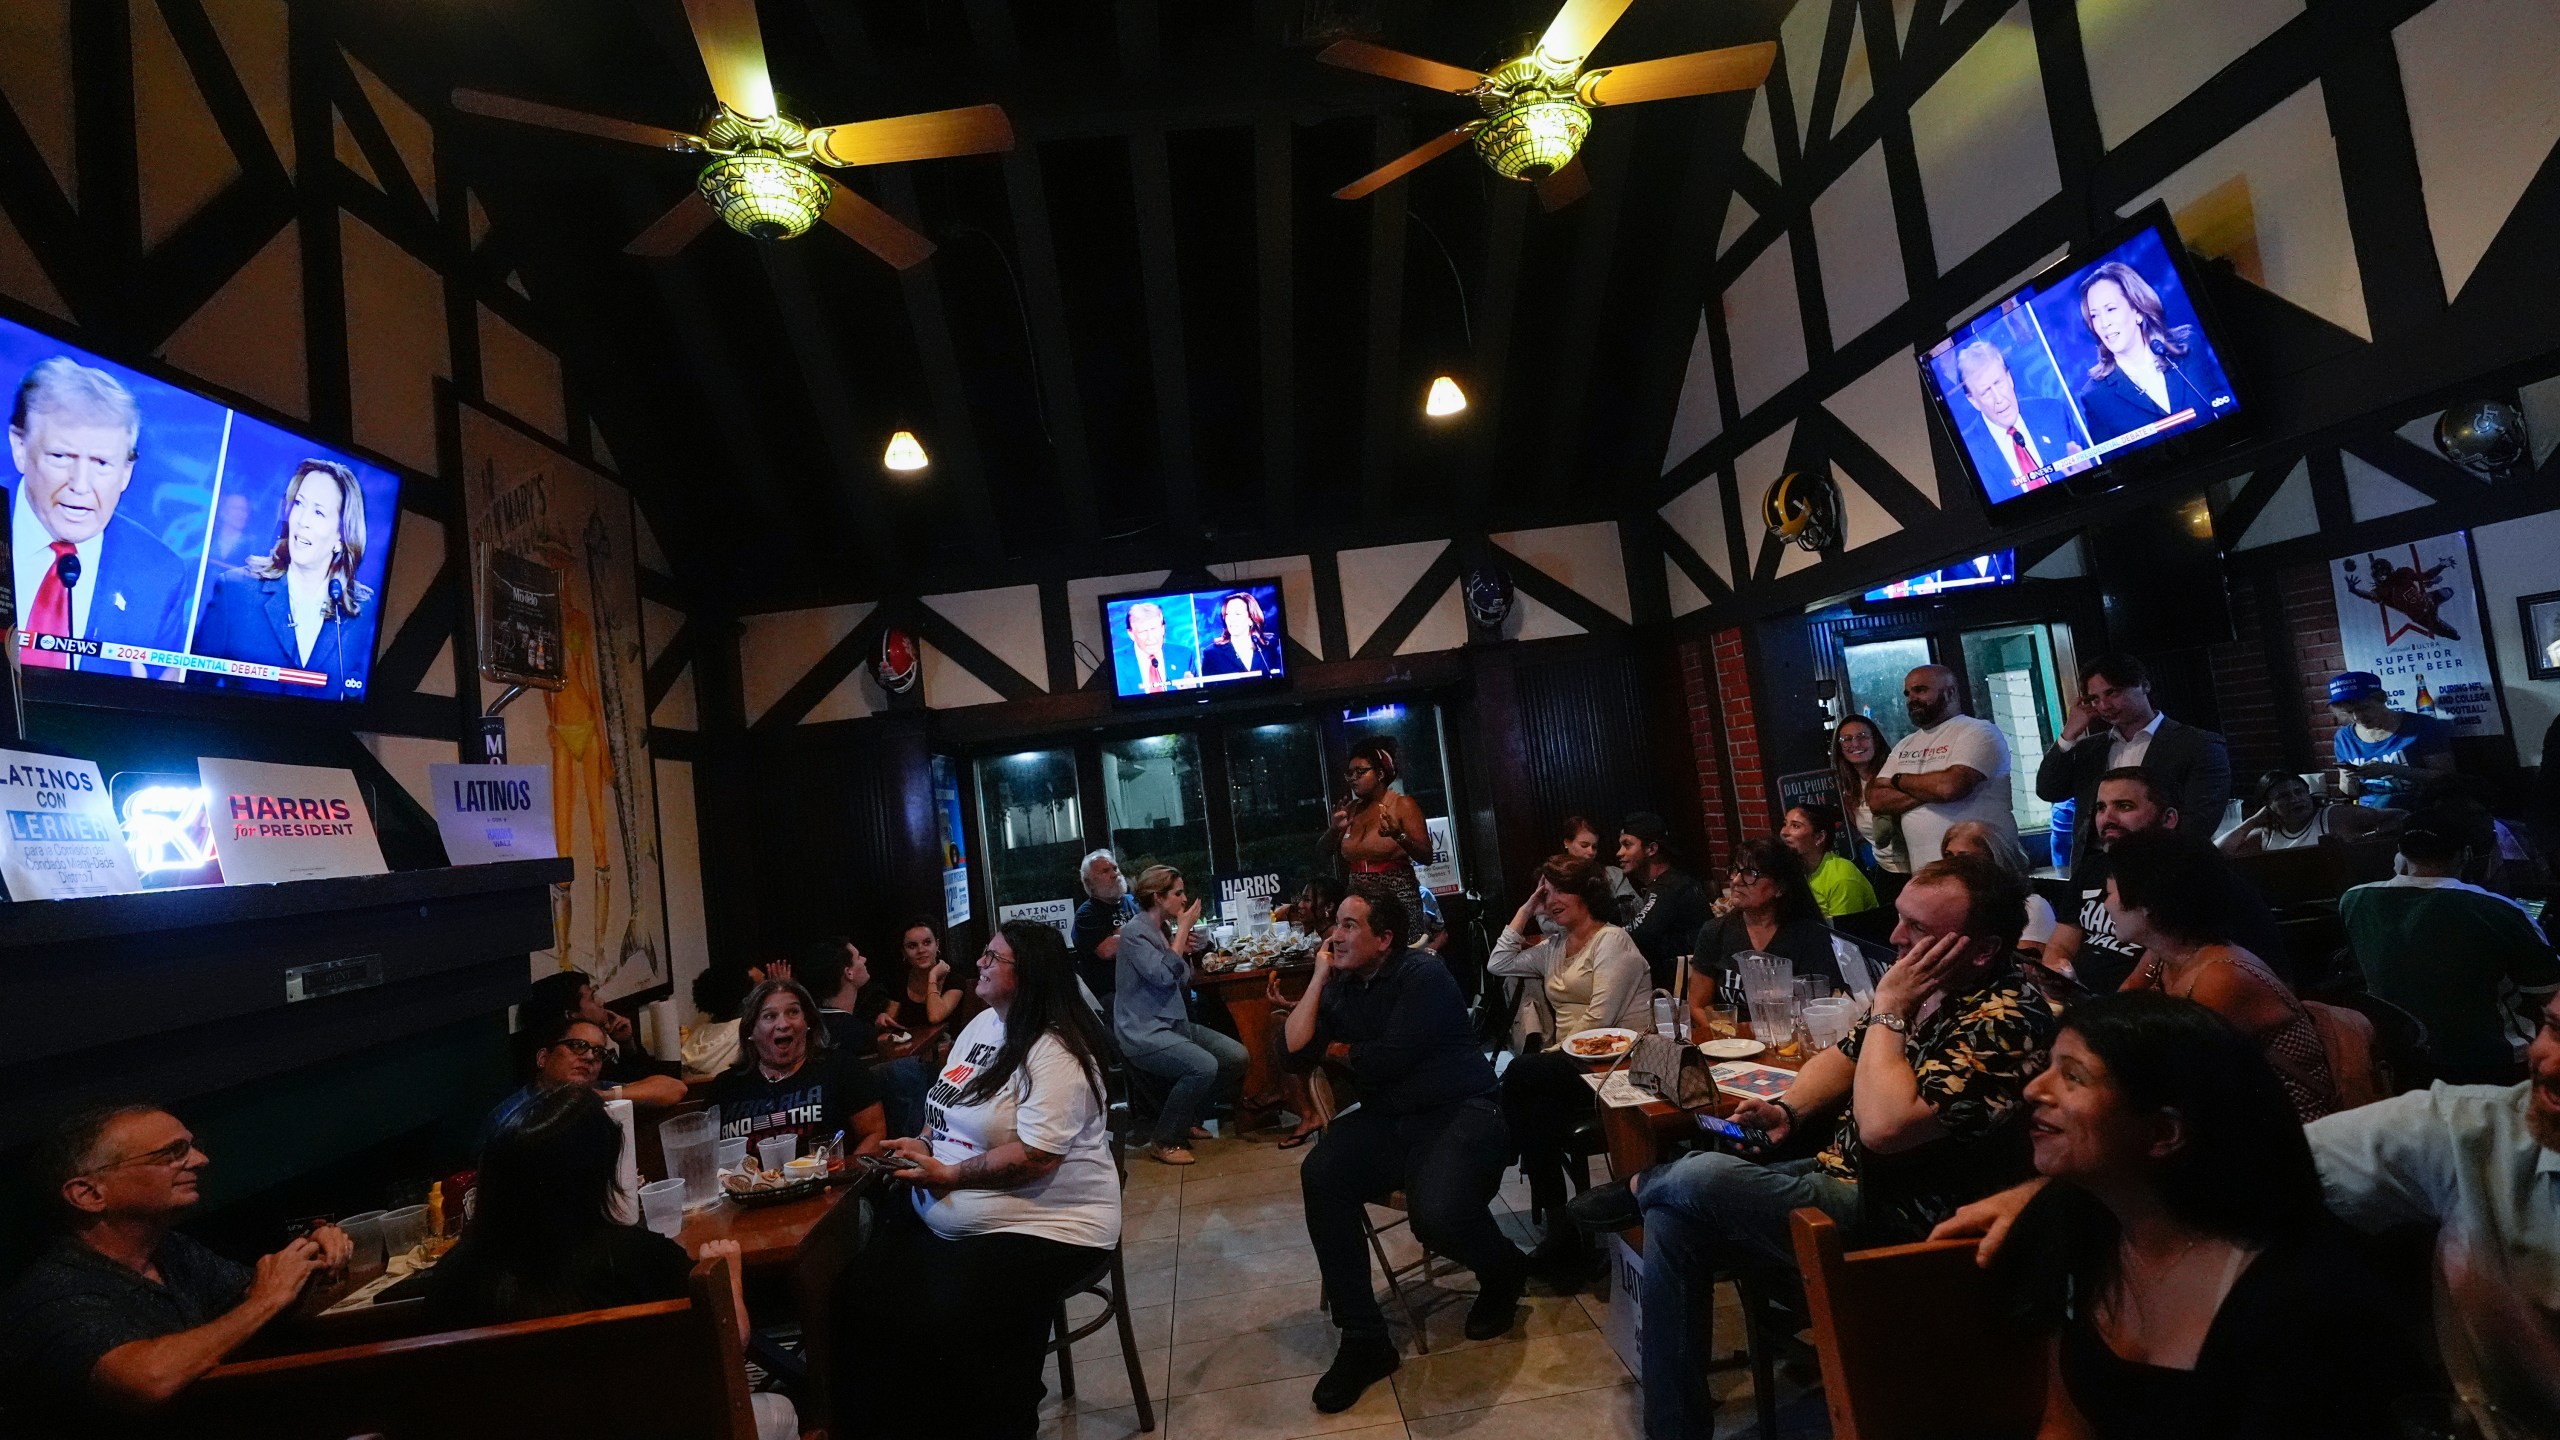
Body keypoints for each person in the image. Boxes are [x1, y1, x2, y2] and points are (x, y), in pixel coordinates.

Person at [1565, 853, 2061, 1440]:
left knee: (1695, 1177)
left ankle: (1643, 1183)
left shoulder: (2008, 1016)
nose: (1896, 939)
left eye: (1920, 930)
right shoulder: (1931, 988)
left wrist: (1892, 1011)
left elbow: (1886, 1128)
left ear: (1981, 950)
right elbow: (1844, 1055)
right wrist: (1789, 1109)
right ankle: (1675, 1430)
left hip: (1909, 1214)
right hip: (1846, 1177)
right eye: (1900, 921)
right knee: (1676, 1220)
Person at [1936, 985, 2560, 1440]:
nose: (2547, 1062)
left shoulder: (2300, 1310)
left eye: (2071, 1076)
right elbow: (2260, 1153)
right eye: (2552, 1027)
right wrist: (2059, 1184)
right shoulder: (2473, 1130)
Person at [1994, 992, 2422, 1438]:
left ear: (2163, 1133)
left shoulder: (2307, 1305)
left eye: (2072, 1076)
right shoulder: (2081, 1224)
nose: (2033, 1090)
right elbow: (2065, 1419)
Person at [840, 921, 1120, 1440]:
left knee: (948, 1316)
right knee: (861, 1291)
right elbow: (941, 1101)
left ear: (1029, 974)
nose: (980, 966)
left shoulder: (1055, 1048)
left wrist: (951, 1174)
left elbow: (1037, 1157)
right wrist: (924, 1144)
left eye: (993, 958)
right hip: (949, 1213)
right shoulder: (985, 1024)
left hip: (1048, 1223)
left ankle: (995, 1422)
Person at [429, 1087, 796, 1439]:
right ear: (596, 1174)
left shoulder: (450, 1278)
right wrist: (725, 1272)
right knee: (780, 1409)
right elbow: (730, 1344)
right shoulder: (635, 1256)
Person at [1286, 892, 1530, 1413]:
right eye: (1336, 925)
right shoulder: (1343, 985)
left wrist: (1337, 1051)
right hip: (1393, 1119)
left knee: (1436, 1216)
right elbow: (1290, 1047)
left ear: (1385, 939)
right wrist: (1317, 979)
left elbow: (1387, 1060)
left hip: (1462, 1111)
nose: (1335, 935)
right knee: (1322, 1172)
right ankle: (1364, 1340)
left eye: (1349, 926)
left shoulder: (1423, 974)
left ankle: (1503, 1268)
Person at [0, 1105, 353, 1428]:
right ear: (89, 1194)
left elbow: (262, 1309)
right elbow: (147, 1381)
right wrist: (266, 1300)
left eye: (190, 1146)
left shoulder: (172, 1251)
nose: (200, 1159)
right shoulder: (50, 1295)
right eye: (172, 1153)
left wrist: (317, 1262)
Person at [2103, 829, 2339, 1123]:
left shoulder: (2222, 978)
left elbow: (2164, 1074)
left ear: (2147, 905)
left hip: (2293, 1142)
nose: (2105, 904)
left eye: (2110, 893)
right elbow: (2117, 1021)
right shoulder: (2165, 955)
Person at [1488, 856, 1651, 1276]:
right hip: (1570, 1067)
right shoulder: (1555, 946)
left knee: (1521, 1074)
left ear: (1588, 893)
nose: (1552, 900)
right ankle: (1564, 1235)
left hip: (1616, 1065)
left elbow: (1600, 1023)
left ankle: (1506, 1149)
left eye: (1561, 889)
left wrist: (1548, 1059)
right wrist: (1526, 909)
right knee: (1536, 1110)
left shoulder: (1612, 941)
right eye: (1546, 891)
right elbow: (1498, 964)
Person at [2341, 808, 2558, 1085]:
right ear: (2466, 854)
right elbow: (2549, 992)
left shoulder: (2353, 901)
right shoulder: (2497, 909)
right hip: (2493, 1064)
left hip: (2404, 1061)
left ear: (2400, 852)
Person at [6, 356, 189, 674]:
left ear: (126, 472)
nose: (80, 485)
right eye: (61, 456)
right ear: (20, 447)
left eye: (101, 463)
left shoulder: (160, 575)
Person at [2046, 768, 2289, 993]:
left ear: (2168, 819)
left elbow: (2267, 981)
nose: (2107, 818)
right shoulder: (2093, 867)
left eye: (2124, 806)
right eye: (2100, 808)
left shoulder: (2198, 882)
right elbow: (2060, 946)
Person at [189, 458, 375, 695]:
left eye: (318, 512)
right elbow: (194, 690)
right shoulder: (235, 591)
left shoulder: (360, 610)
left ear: (341, 534)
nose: (302, 521)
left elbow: (354, 696)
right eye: (299, 504)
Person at [2035, 653, 2233, 870]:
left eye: (2112, 692)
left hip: (2164, 867)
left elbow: (2198, 821)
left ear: (2143, 685)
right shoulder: (2091, 749)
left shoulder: (2197, 745)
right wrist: (2069, 734)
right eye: (2094, 699)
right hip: (2096, 869)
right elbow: (2048, 790)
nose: (2104, 705)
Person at [1114, 865, 1246, 1165]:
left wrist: (1183, 948)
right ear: (1158, 897)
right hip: (1143, 1030)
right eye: (1178, 893)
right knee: (1204, 1066)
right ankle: (1164, 1140)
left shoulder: (1162, 930)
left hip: (1173, 1023)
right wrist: (1183, 931)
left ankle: (1188, 1118)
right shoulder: (1135, 932)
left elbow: (1182, 978)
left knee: (1235, 1057)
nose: (1184, 900)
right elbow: (1162, 977)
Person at [708, 977, 887, 1159]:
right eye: (769, 1016)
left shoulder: (841, 1068)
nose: (783, 1024)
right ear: (750, 1031)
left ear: (807, 1022)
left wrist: (845, 1179)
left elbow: (874, 1134)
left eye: (793, 1012)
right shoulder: (724, 1087)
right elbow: (707, 1156)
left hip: (830, 1183)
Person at [1868, 664, 2017, 870]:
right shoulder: (1905, 744)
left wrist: (1898, 781)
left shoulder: (1979, 731)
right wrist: (1932, 789)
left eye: (1920, 690)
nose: (1911, 699)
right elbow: (1876, 799)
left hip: (1983, 872)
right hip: (1927, 875)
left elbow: (1949, 787)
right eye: (1907, 693)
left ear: (1950, 692)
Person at [1685, 837, 1843, 1024]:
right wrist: (1731, 1039)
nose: (1736, 881)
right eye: (1735, 870)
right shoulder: (1715, 931)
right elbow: (1697, 1006)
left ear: (1780, 888)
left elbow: (1823, 1007)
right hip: (1731, 1044)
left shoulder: (1809, 935)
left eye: (1750, 873)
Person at [2070, 259, 2229, 444]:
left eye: (2111, 309)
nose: (2104, 323)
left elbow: (2226, 406)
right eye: (2095, 315)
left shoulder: (2188, 346)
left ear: (2137, 310)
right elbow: (2117, 469)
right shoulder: (2096, 397)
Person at [515, 968, 687, 1108]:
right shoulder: (525, 1109)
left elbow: (668, 1086)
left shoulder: (596, 1068)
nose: (601, 1002)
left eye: (598, 1051)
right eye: (591, 998)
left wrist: (627, 1044)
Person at [1950, 338, 2088, 497]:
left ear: (2009, 378)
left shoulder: (2053, 412)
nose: (1999, 398)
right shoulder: (1968, 453)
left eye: (1998, 383)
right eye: (1986, 392)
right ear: (1973, 400)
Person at [1322, 736, 1432, 935]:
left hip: (1396, 898)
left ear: (1380, 773)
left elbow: (1426, 856)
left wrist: (1398, 835)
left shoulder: (1402, 805)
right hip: (1358, 902)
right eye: (1350, 773)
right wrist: (1334, 829)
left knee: (1401, 961)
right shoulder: (1351, 810)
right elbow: (1322, 852)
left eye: (1361, 772)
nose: (1353, 778)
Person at [481, 1012, 616, 1150]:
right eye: (578, 1046)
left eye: (599, 1052)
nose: (590, 1056)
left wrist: (605, 1096)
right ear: (543, 1058)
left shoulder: (597, 1090)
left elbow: (639, 1089)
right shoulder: (509, 1118)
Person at [2326, 671, 2456, 810]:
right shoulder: (2344, 737)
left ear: (2382, 699)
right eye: (2349, 712)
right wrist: (2349, 779)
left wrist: (2392, 770)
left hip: (2418, 808)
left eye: (2364, 708)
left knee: (2387, 803)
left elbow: (2447, 778)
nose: (2357, 717)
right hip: (2370, 813)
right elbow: (2351, 793)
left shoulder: (2421, 725)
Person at [1943, 818, 2058, 961]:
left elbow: (2028, 971)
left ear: (1994, 858)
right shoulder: (1947, 906)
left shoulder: (2032, 906)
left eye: (1964, 857)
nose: (1952, 865)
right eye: (1948, 856)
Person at [1618, 810, 1710, 988]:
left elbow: (1636, 934)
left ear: (1651, 849)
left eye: (1627, 845)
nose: (1619, 853)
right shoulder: (1670, 881)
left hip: (1685, 992)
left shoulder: (1668, 887)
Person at [2219, 769, 2390, 855]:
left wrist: (2370, 839)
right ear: (2268, 804)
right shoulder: (2267, 835)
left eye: (2299, 792)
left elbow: (2400, 816)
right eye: (2284, 796)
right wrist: (2253, 821)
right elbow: (2219, 852)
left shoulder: (2334, 816)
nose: (2295, 799)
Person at [864, 918, 963, 1041]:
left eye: (927, 942)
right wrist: (883, 1020)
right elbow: (890, 1023)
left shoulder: (954, 979)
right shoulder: (900, 980)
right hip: (911, 1050)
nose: (921, 950)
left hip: (948, 1050)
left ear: (937, 944)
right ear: (904, 952)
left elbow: (935, 1016)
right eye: (912, 946)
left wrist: (932, 977)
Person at [1832, 715, 1904, 878]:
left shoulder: (1895, 776)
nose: (1855, 744)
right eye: (1847, 739)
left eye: (1862, 736)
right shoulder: (1848, 791)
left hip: (1916, 869)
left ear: (1876, 741)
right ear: (1840, 748)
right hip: (1885, 870)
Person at [1779, 802, 1878, 918]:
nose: (1783, 832)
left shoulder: (1841, 878)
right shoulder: (1793, 868)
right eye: (1785, 824)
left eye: (1796, 826)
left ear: (1819, 837)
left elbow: (1843, 932)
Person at [1070, 848, 1138, 1002]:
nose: (1115, 874)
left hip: (1143, 984)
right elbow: (1107, 950)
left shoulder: (1134, 901)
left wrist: (1121, 934)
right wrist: (1142, 930)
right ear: (1090, 882)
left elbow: (1157, 928)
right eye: (1105, 871)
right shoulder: (1086, 914)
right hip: (1112, 993)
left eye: (1115, 868)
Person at [1561, 814, 1639, 921]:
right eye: (1584, 845)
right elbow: (1545, 919)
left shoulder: (1613, 874)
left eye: (1594, 847)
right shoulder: (1554, 877)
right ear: (1567, 843)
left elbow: (1636, 906)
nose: (1591, 852)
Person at [1198, 589, 1282, 677]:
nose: (1231, 619)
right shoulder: (1212, 653)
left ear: (1251, 619)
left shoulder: (1270, 646)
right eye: (1227, 614)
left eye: (1237, 614)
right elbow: (1210, 688)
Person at [1121, 599, 1192, 693]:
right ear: (1131, 634)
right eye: (1143, 631)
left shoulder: (1184, 655)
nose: (1150, 638)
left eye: (1154, 629)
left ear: (1163, 628)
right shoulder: (1118, 663)